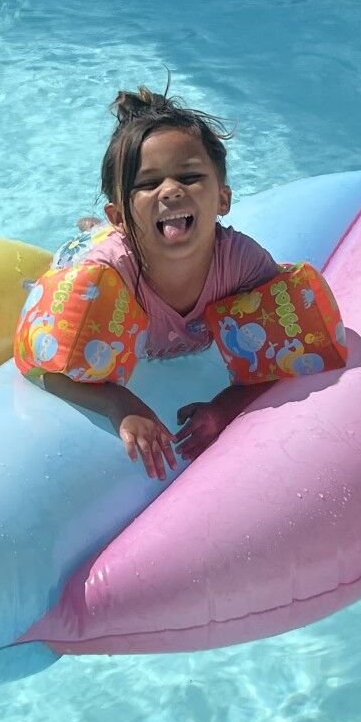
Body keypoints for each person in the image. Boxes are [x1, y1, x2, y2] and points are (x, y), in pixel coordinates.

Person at [40, 86, 283, 480]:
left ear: (223, 199)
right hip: (85, 261)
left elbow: (280, 351)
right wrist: (119, 403)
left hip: (132, 240)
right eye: (148, 183)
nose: (171, 190)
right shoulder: (105, 278)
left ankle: (99, 224)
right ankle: (95, 228)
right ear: (121, 215)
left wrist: (225, 408)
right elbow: (49, 370)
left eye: (189, 176)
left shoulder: (242, 264)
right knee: (88, 245)